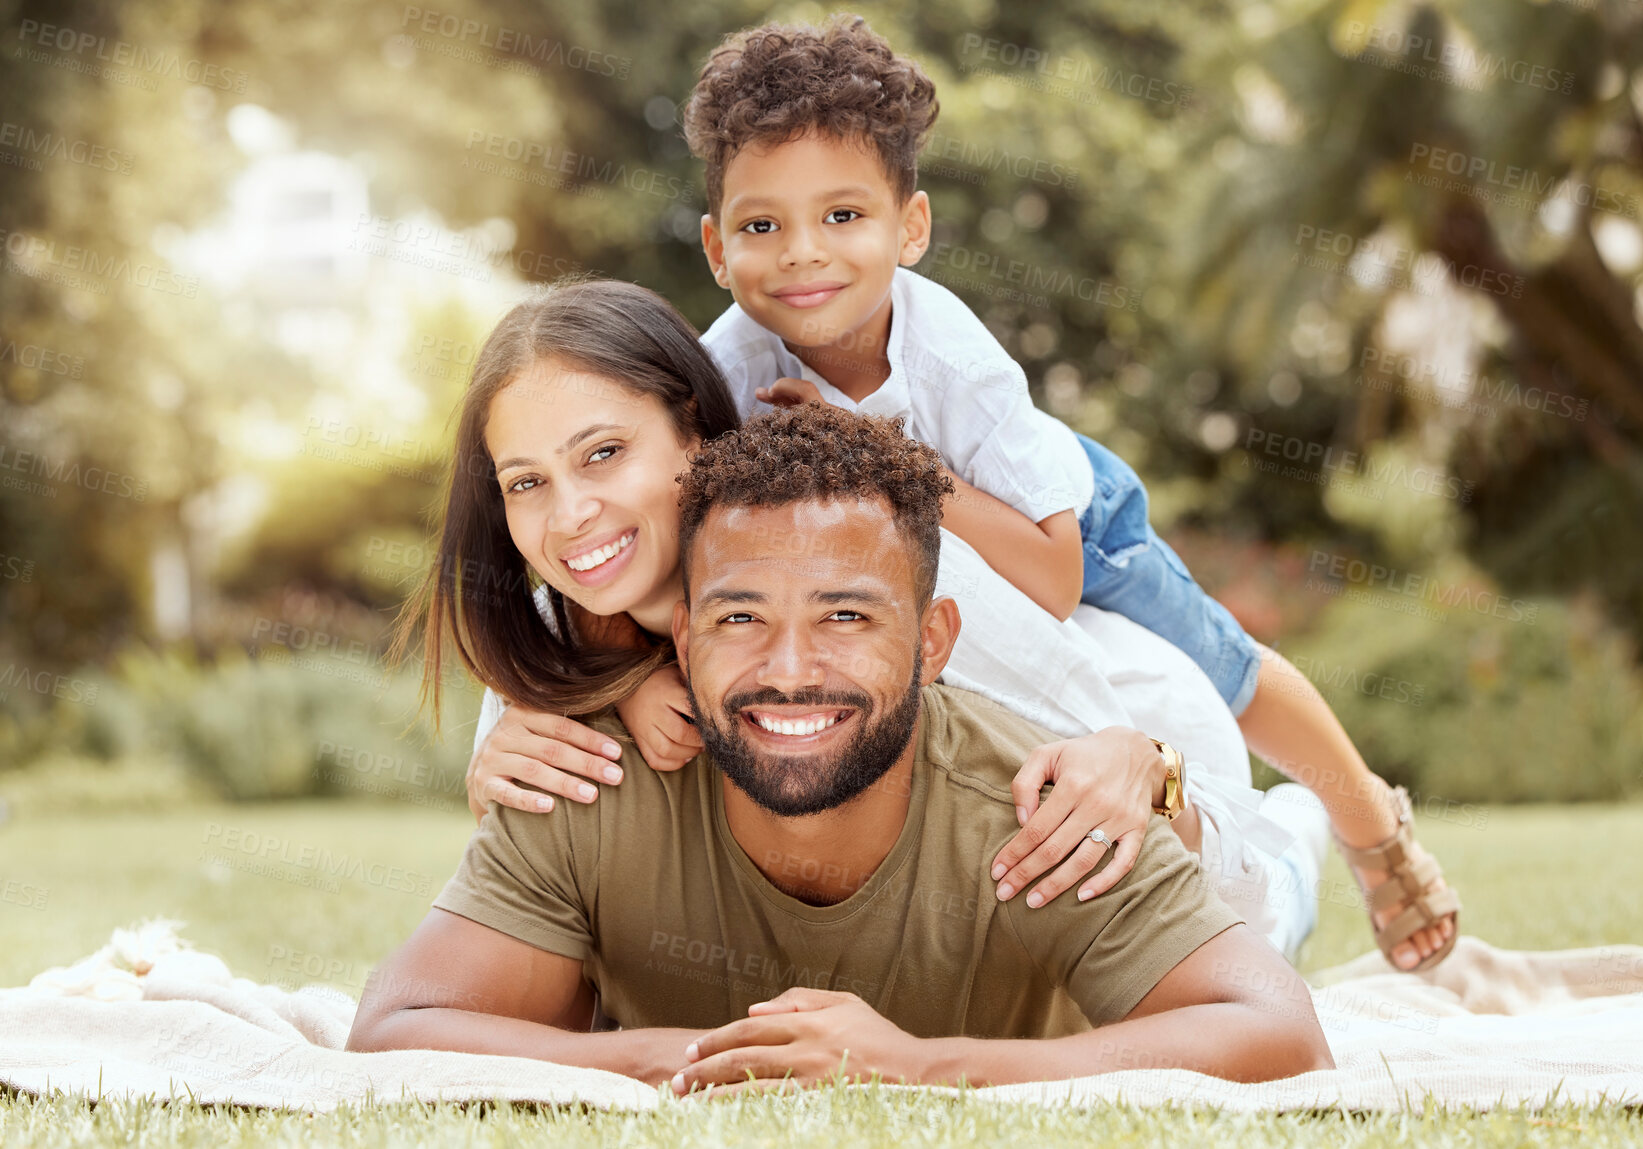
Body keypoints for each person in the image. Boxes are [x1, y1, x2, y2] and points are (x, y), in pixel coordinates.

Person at [680, 15, 1458, 971]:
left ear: (910, 227)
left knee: (1228, 669)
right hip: (923, 557)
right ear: (718, 248)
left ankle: (1371, 825)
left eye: (843, 216)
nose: (803, 253)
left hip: (1069, 516)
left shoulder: (957, 362)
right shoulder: (720, 375)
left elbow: (1053, 579)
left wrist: (880, 452)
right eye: (764, 226)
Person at [351, 402, 1334, 1091]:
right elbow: (398, 1026)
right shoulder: (595, 774)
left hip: (1176, 762)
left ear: (936, 642)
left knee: (1270, 891)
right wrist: (706, 1057)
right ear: (682, 638)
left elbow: (1279, 1028)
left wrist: (916, 1067)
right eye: (740, 620)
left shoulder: (1042, 806)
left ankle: (1308, 829)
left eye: (848, 617)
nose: (790, 669)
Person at [415, 278, 1327, 960]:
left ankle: (1303, 832)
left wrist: (1150, 773)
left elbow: (1121, 761)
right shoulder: (551, 634)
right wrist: (495, 770)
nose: (570, 514)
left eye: (605, 453)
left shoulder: (856, 544)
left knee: (1259, 904)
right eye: (527, 482)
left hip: (1150, 724)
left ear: (694, 428)